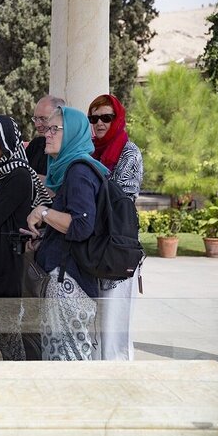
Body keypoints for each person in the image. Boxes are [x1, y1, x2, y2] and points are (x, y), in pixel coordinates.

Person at [25, 106, 110, 361]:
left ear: (72, 133)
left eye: (54, 129)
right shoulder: (74, 170)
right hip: (68, 281)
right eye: (46, 128)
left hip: (70, 286)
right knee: (63, 360)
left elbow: (82, 225)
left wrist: (43, 213)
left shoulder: (78, 171)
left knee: (68, 362)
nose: (46, 134)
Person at [0, 116, 52, 361]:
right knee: (1, 331)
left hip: (8, 265)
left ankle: (22, 382)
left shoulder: (19, 176)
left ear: (7, 141)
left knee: (11, 335)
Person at [87, 94, 144, 361]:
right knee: (98, 327)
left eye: (106, 118)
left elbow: (118, 197)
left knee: (115, 328)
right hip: (96, 247)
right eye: (94, 118)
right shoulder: (92, 151)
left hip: (117, 249)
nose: (99, 123)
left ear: (117, 118)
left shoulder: (129, 152)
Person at [27, 95, 65, 182]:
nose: (37, 124)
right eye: (35, 119)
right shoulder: (36, 144)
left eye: (43, 119)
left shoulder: (71, 152)